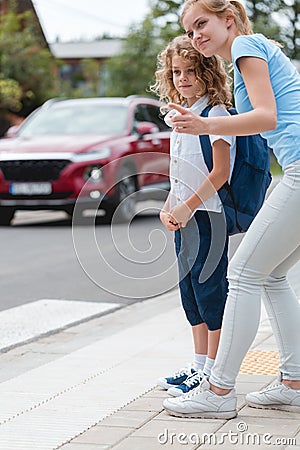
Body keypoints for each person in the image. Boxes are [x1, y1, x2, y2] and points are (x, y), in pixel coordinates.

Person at [163, 0, 300, 419]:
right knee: (271, 274)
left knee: (241, 273)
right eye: (189, 30)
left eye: (201, 24)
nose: (195, 35)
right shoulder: (249, 54)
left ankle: (218, 390)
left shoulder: (245, 48)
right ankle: (294, 382)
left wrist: (206, 125)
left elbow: (265, 116)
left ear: (228, 19)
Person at [150, 35, 236, 397]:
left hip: (208, 219)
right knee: (190, 294)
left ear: (207, 72)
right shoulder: (177, 118)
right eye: (176, 72)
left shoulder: (215, 115)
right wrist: (170, 206)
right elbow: (181, 174)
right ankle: (199, 366)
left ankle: (215, 370)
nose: (183, 78)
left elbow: (220, 173)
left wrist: (187, 206)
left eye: (190, 71)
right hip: (185, 219)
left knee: (210, 292)